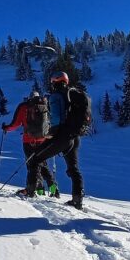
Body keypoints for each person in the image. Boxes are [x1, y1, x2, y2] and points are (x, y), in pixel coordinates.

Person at [24, 72, 86, 209]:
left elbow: (56, 118)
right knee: (73, 168)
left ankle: (30, 190)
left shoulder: (57, 96)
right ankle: (77, 199)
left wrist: (51, 133)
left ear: (55, 82)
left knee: (35, 159)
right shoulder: (72, 95)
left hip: (61, 136)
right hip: (74, 137)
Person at [2, 92, 59, 197]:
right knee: (43, 166)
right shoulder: (44, 106)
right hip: (43, 141)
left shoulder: (24, 107)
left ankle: (32, 190)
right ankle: (53, 190)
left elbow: (15, 124)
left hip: (29, 141)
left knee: (32, 166)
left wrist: (6, 128)